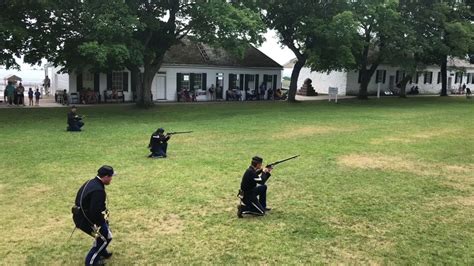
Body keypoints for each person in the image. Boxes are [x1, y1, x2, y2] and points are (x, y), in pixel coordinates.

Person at [72, 165, 115, 265]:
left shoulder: (91, 182)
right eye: (111, 176)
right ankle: (91, 262)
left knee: (104, 234)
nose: (111, 179)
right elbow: (94, 212)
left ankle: (102, 252)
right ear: (105, 177)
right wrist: (101, 223)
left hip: (80, 216)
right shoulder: (98, 191)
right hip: (85, 219)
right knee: (106, 238)